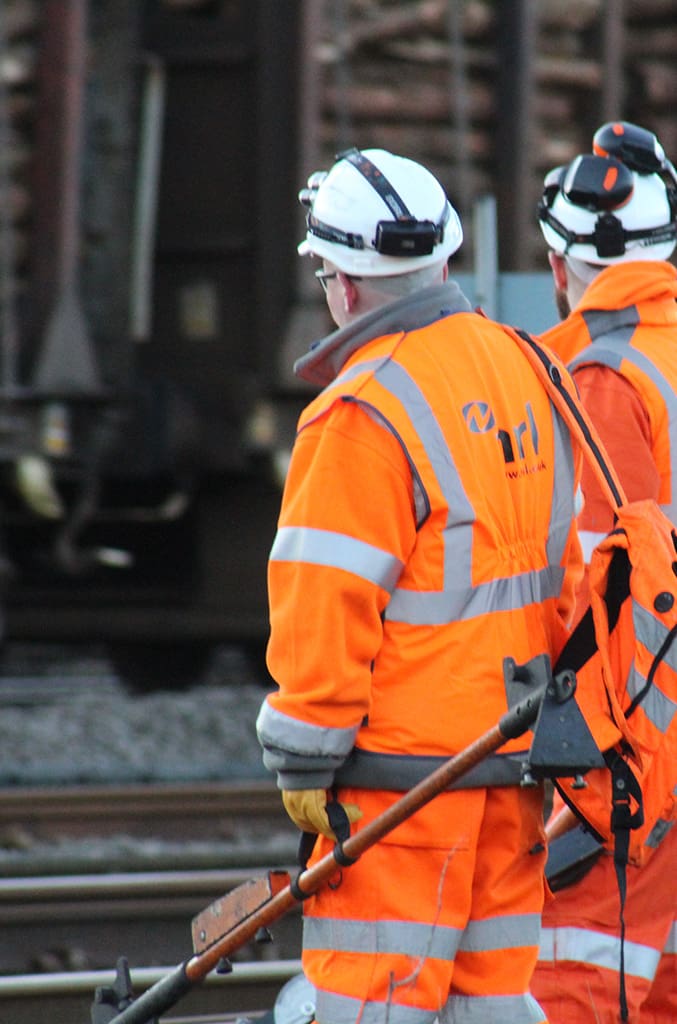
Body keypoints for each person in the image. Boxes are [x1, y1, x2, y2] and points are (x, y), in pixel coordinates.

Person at [256, 146, 584, 1024]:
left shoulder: (359, 412)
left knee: (372, 1004)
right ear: (441, 259)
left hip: (402, 792)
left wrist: (304, 754)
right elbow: (569, 570)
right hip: (511, 768)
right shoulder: (529, 366)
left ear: (345, 284)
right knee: (491, 1004)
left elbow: (324, 604)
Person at [530, 120, 677, 1024]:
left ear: (557, 265)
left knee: (583, 975)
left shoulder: (601, 382)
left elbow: (591, 602)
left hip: (644, 754)